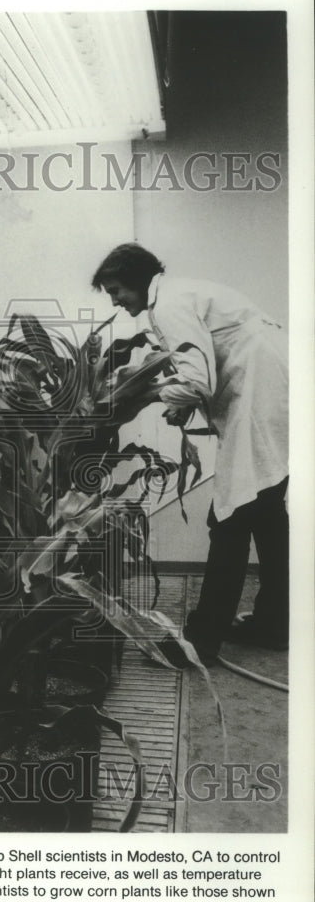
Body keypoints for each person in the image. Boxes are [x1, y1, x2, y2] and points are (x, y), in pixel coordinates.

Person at [91, 243, 289, 666]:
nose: (115, 300)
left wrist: (137, 396)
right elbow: (199, 371)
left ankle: (201, 643)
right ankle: (275, 624)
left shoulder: (169, 305)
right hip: (276, 389)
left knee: (230, 518)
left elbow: (197, 379)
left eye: (116, 290)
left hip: (262, 395)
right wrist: (177, 400)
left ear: (139, 279)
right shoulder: (182, 293)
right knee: (268, 514)